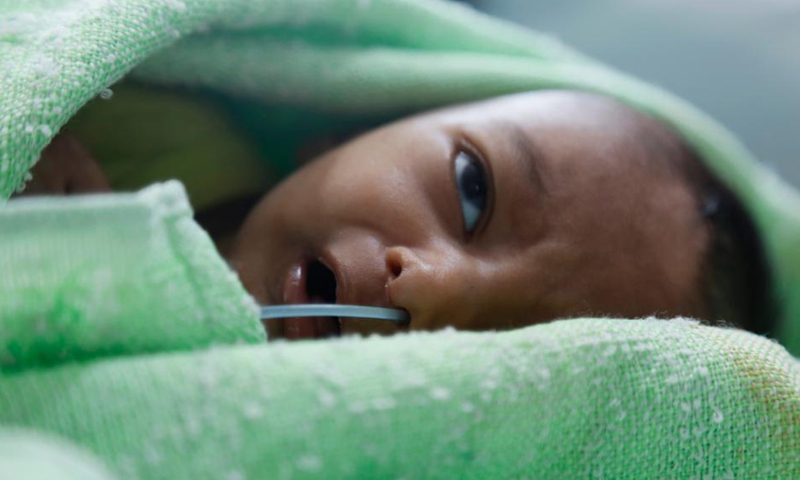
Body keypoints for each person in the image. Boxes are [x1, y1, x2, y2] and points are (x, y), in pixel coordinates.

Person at [17, 89, 774, 341]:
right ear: (354, 131)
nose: (438, 289)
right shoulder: (146, 123)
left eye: (511, 346)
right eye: (472, 189)